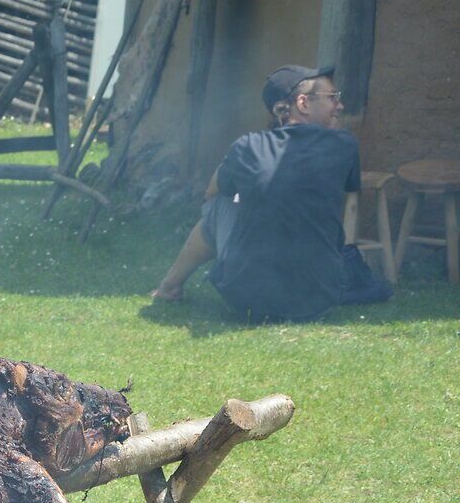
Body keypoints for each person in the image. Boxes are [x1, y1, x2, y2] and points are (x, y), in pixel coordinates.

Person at [150, 65, 392, 321]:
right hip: (318, 299)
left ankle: (169, 286)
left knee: (220, 205)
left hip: (247, 300)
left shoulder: (248, 146)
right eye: (332, 97)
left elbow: (211, 193)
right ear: (303, 103)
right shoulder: (345, 146)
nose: (339, 105)